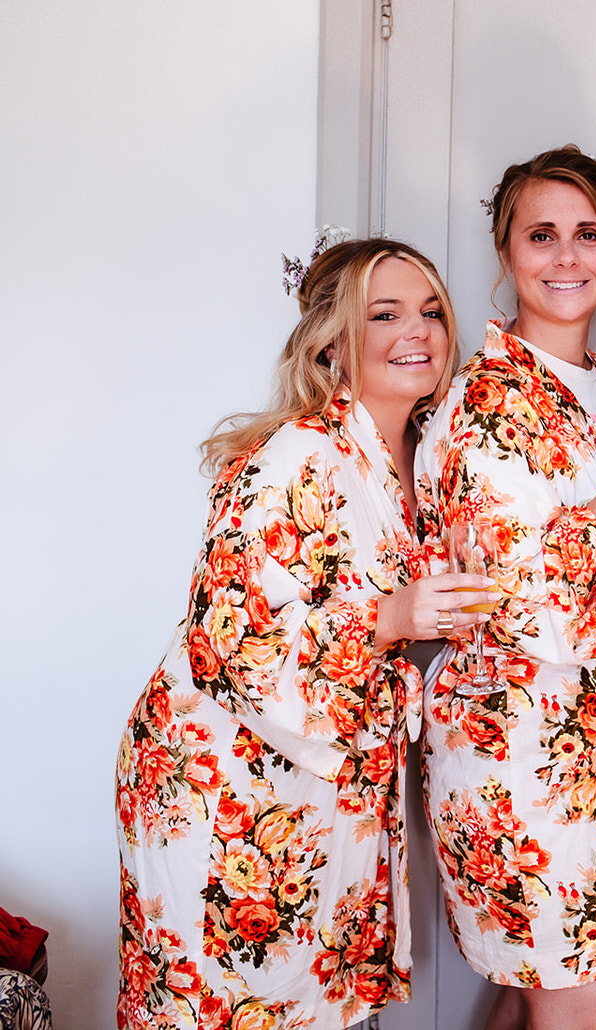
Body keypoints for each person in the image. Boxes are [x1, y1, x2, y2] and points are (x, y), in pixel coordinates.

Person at [116, 237, 491, 1029]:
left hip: (319, 790)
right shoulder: (298, 454)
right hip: (227, 784)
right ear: (333, 339)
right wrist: (392, 617)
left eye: (431, 312)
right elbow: (227, 639)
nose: (417, 331)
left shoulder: (415, 459)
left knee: (307, 1008)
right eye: (384, 314)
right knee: (226, 1010)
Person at [416, 146, 596, 1030]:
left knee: (560, 1002)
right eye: (542, 235)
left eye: (587, 235)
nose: (566, 258)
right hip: (524, 759)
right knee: (581, 1007)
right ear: (505, 251)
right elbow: (520, 603)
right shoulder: (482, 403)